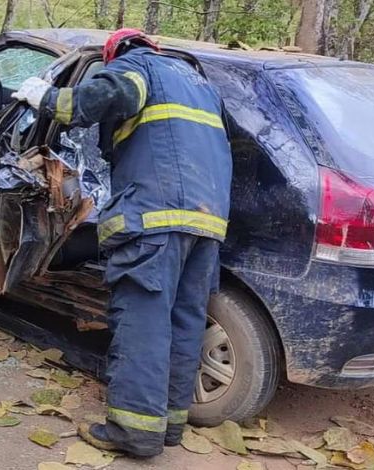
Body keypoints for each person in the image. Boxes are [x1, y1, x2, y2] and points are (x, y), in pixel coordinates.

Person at [12, 28, 233, 458]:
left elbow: (96, 100)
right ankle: (168, 425)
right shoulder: (201, 86)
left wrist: (47, 98)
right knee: (184, 321)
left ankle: (134, 432)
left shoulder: (135, 68)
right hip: (208, 223)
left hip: (155, 216)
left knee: (143, 321)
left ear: (116, 54)